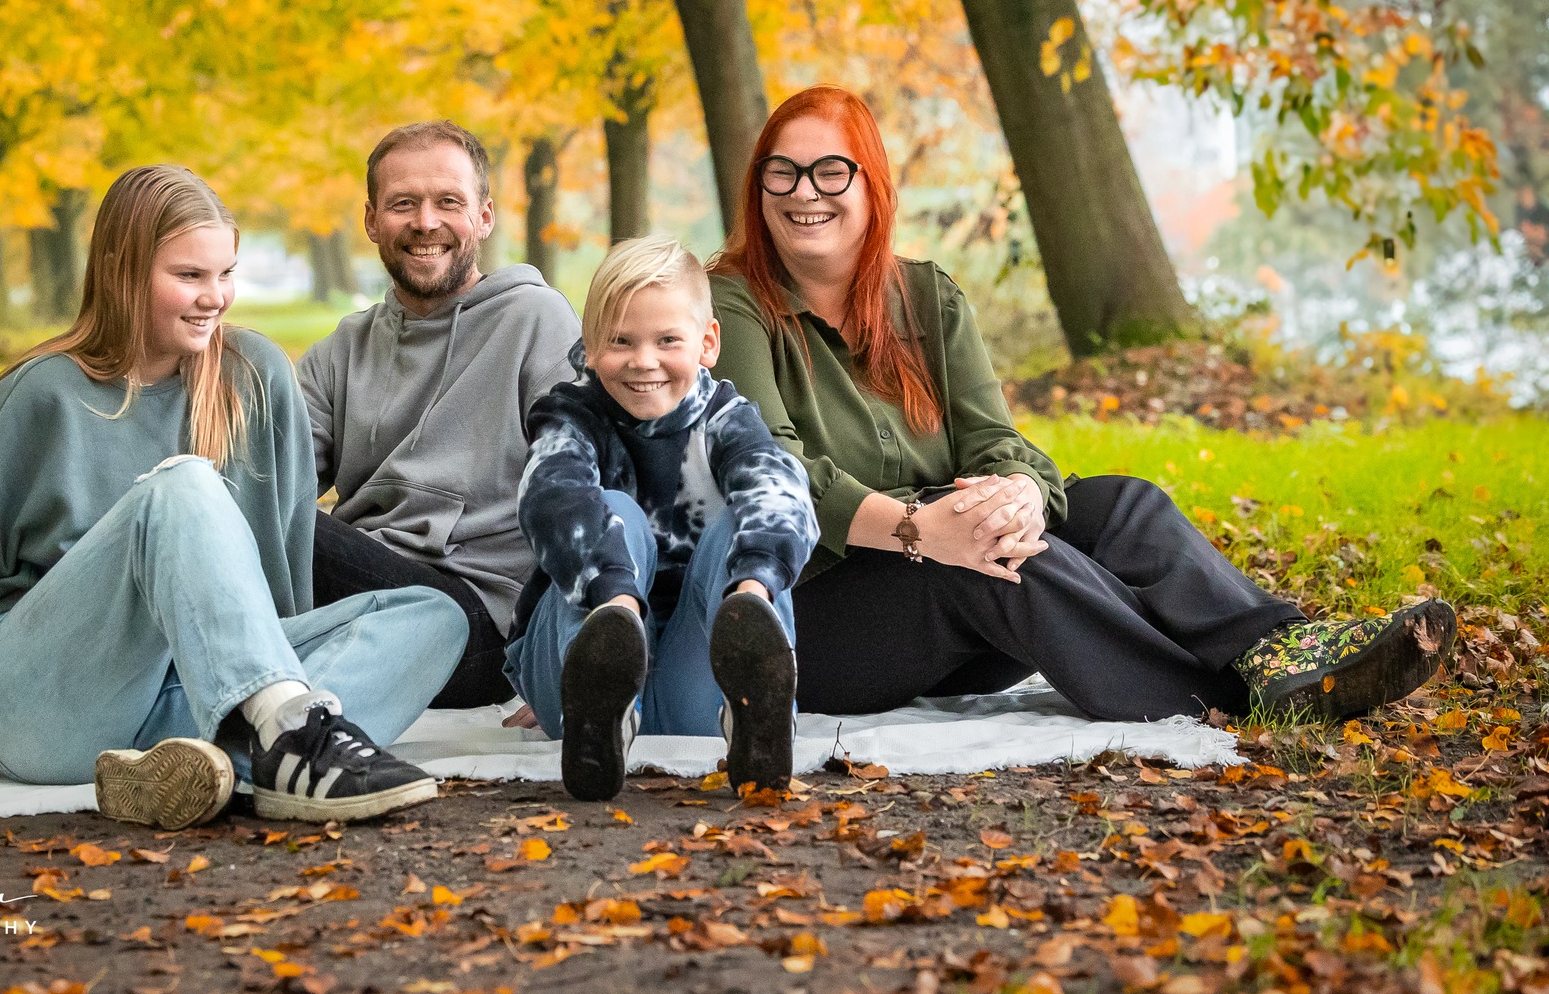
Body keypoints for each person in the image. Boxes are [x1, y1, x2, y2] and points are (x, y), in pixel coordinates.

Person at [0, 121, 578, 760]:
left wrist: (568, 630)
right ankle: (276, 736)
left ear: (486, 214)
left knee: (412, 612)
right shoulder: (38, 395)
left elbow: (584, 467)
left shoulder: (271, 371)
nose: (216, 296)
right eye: (191, 275)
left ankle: (249, 742)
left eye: (226, 274)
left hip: (468, 602)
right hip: (56, 688)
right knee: (192, 491)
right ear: (372, 218)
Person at [707, 85, 1457, 725]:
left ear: (872, 185)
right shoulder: (734, 303)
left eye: (830, 171)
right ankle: (1232, 697)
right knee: (995, 563)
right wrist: (920, 530)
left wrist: (1021, 492)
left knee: (1122, 506)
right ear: (759, 187)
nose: (805, 192)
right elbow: (777, 470)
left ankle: (1282, 648)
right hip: (820, 621)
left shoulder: (927, 298)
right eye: (783, 173)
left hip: (954, 599)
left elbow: (994, 438)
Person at [507, 237, 816, 801]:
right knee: (613, 510)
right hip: (571, 676)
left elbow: (780, 490)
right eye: (621, 341)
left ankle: (755, 721)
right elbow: (550, 496)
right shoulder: (569, 414)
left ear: (707, 342)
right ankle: (603, 706)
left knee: (745, 527)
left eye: (667, 340)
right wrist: (616, 602)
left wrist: (751, 587)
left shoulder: (725, 418)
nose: (643, 361)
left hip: (689, 683)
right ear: (591, 347)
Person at [301, 121, 582, 705]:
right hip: (360, 589)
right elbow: (275, 476)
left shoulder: (535, 321)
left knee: (250, 516)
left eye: (447, 202)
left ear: (484, 216)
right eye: (403, 204)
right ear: (372, 220)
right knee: (228, 510)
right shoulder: (342, 350)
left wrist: (563, 649)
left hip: (478, 620)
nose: (426, 222)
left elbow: (591, 484)